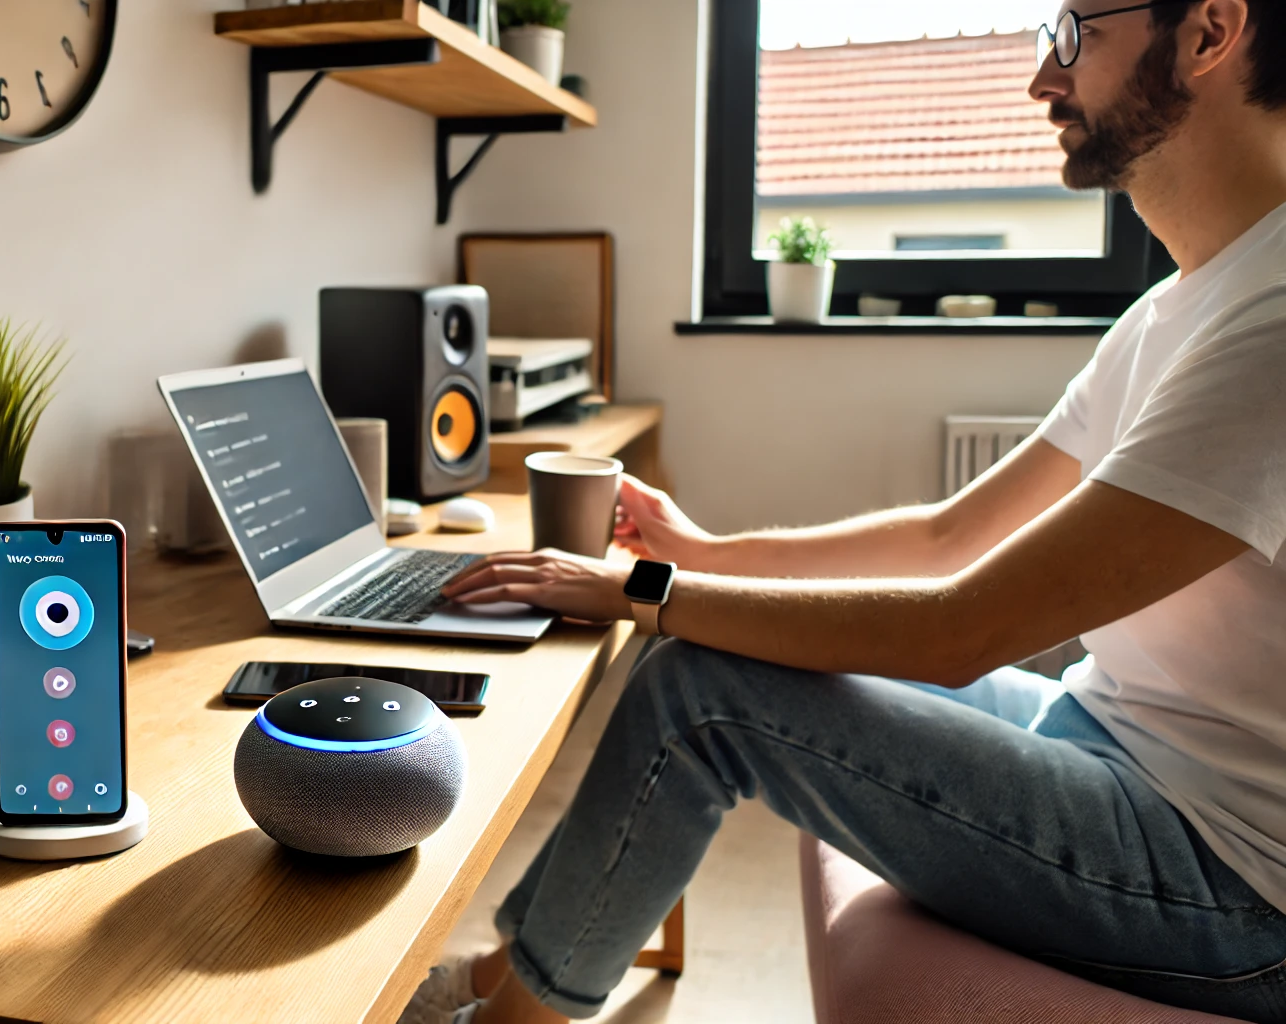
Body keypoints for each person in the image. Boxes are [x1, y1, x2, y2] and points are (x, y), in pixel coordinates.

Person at [401, 0, 1286, 1020]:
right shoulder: (1174, 309)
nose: (1043, 79)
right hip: (1107, 735)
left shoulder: (1269, 324)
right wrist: (703, 552)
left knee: (701, 692)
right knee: (702, 649)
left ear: (1210, 32)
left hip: (1223, 877)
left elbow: (963, 626)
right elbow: (946, 536)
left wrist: (642, 587)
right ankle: (507, 979)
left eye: (1074, 35)